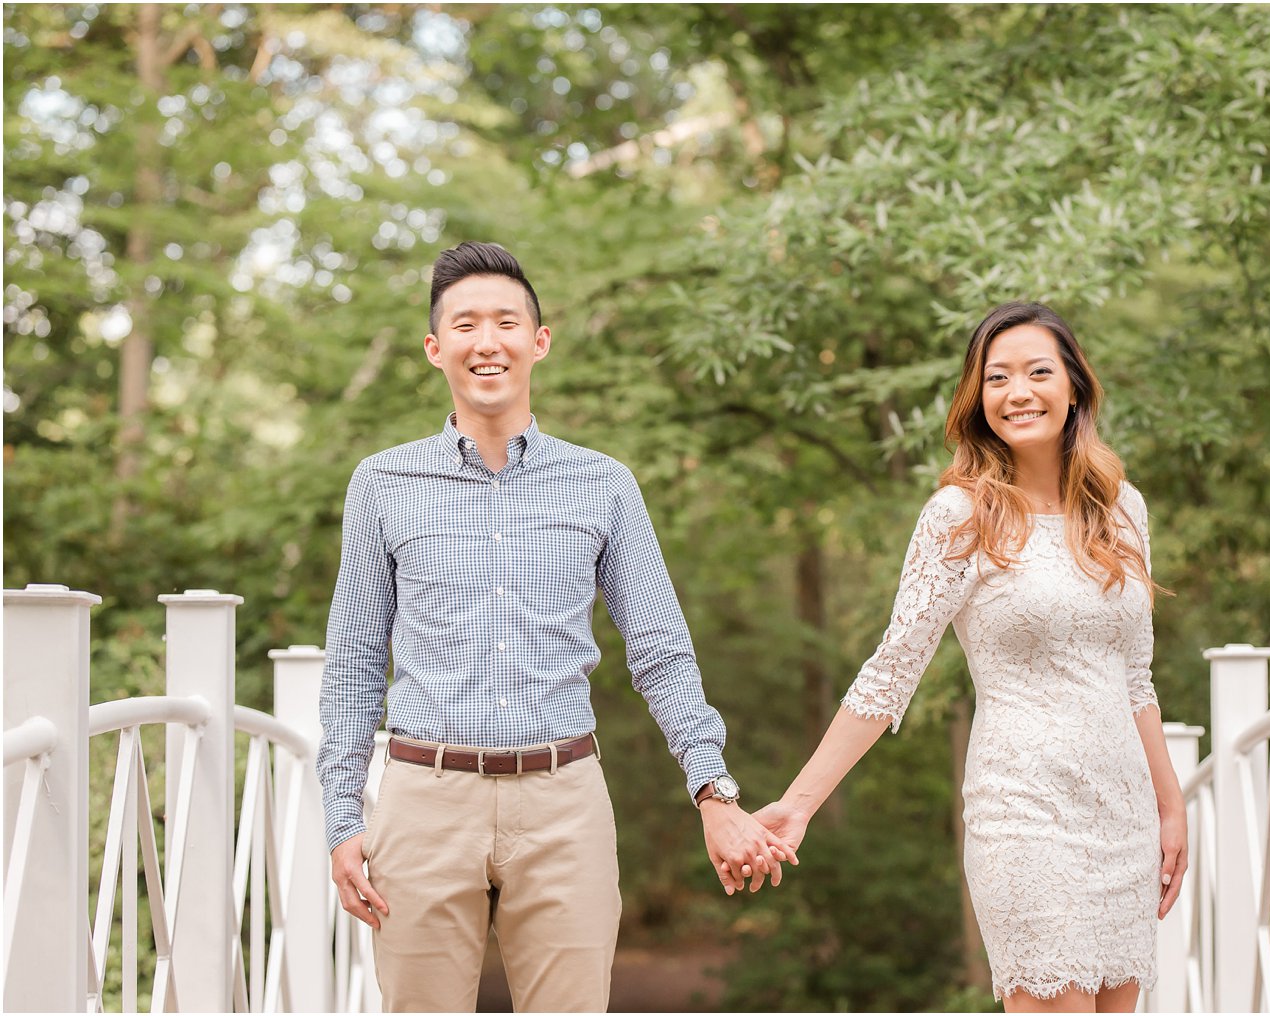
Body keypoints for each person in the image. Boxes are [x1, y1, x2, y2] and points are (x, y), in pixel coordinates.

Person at [316, 241, 796, 1013]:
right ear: (436, 349)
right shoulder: (382, 483)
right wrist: (343, 818)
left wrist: (713, 789)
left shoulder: (604, 485)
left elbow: (661, 651)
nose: (487, 341)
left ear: (538, 341)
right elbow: (352, 664)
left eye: (506, 322)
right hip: (423, 798)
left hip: (563, 799)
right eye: (465, 324)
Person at [748, 302, 1187, 1013]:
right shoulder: (960, 517)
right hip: (1025, 814)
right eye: (998, 378)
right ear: (978, 400)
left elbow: (1135, 678)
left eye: (1038, 372)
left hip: (1125, 819)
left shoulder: (1121, 509)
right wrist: (798, 806)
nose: (1019, 391)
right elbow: (891, 673)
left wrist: (1172, 806)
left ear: (1074, 386)